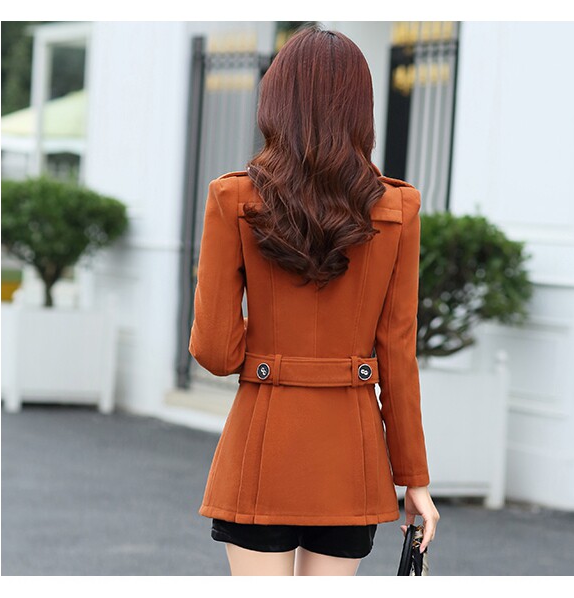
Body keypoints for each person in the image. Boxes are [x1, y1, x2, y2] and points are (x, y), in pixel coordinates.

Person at [189, 24, 440, 576]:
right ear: (362, 111)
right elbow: (398, 355)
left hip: (260, 449)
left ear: (275, 103)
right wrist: (414, 481)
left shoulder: (233, 199)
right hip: (351, 457)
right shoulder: (398, 210)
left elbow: (216, 353)